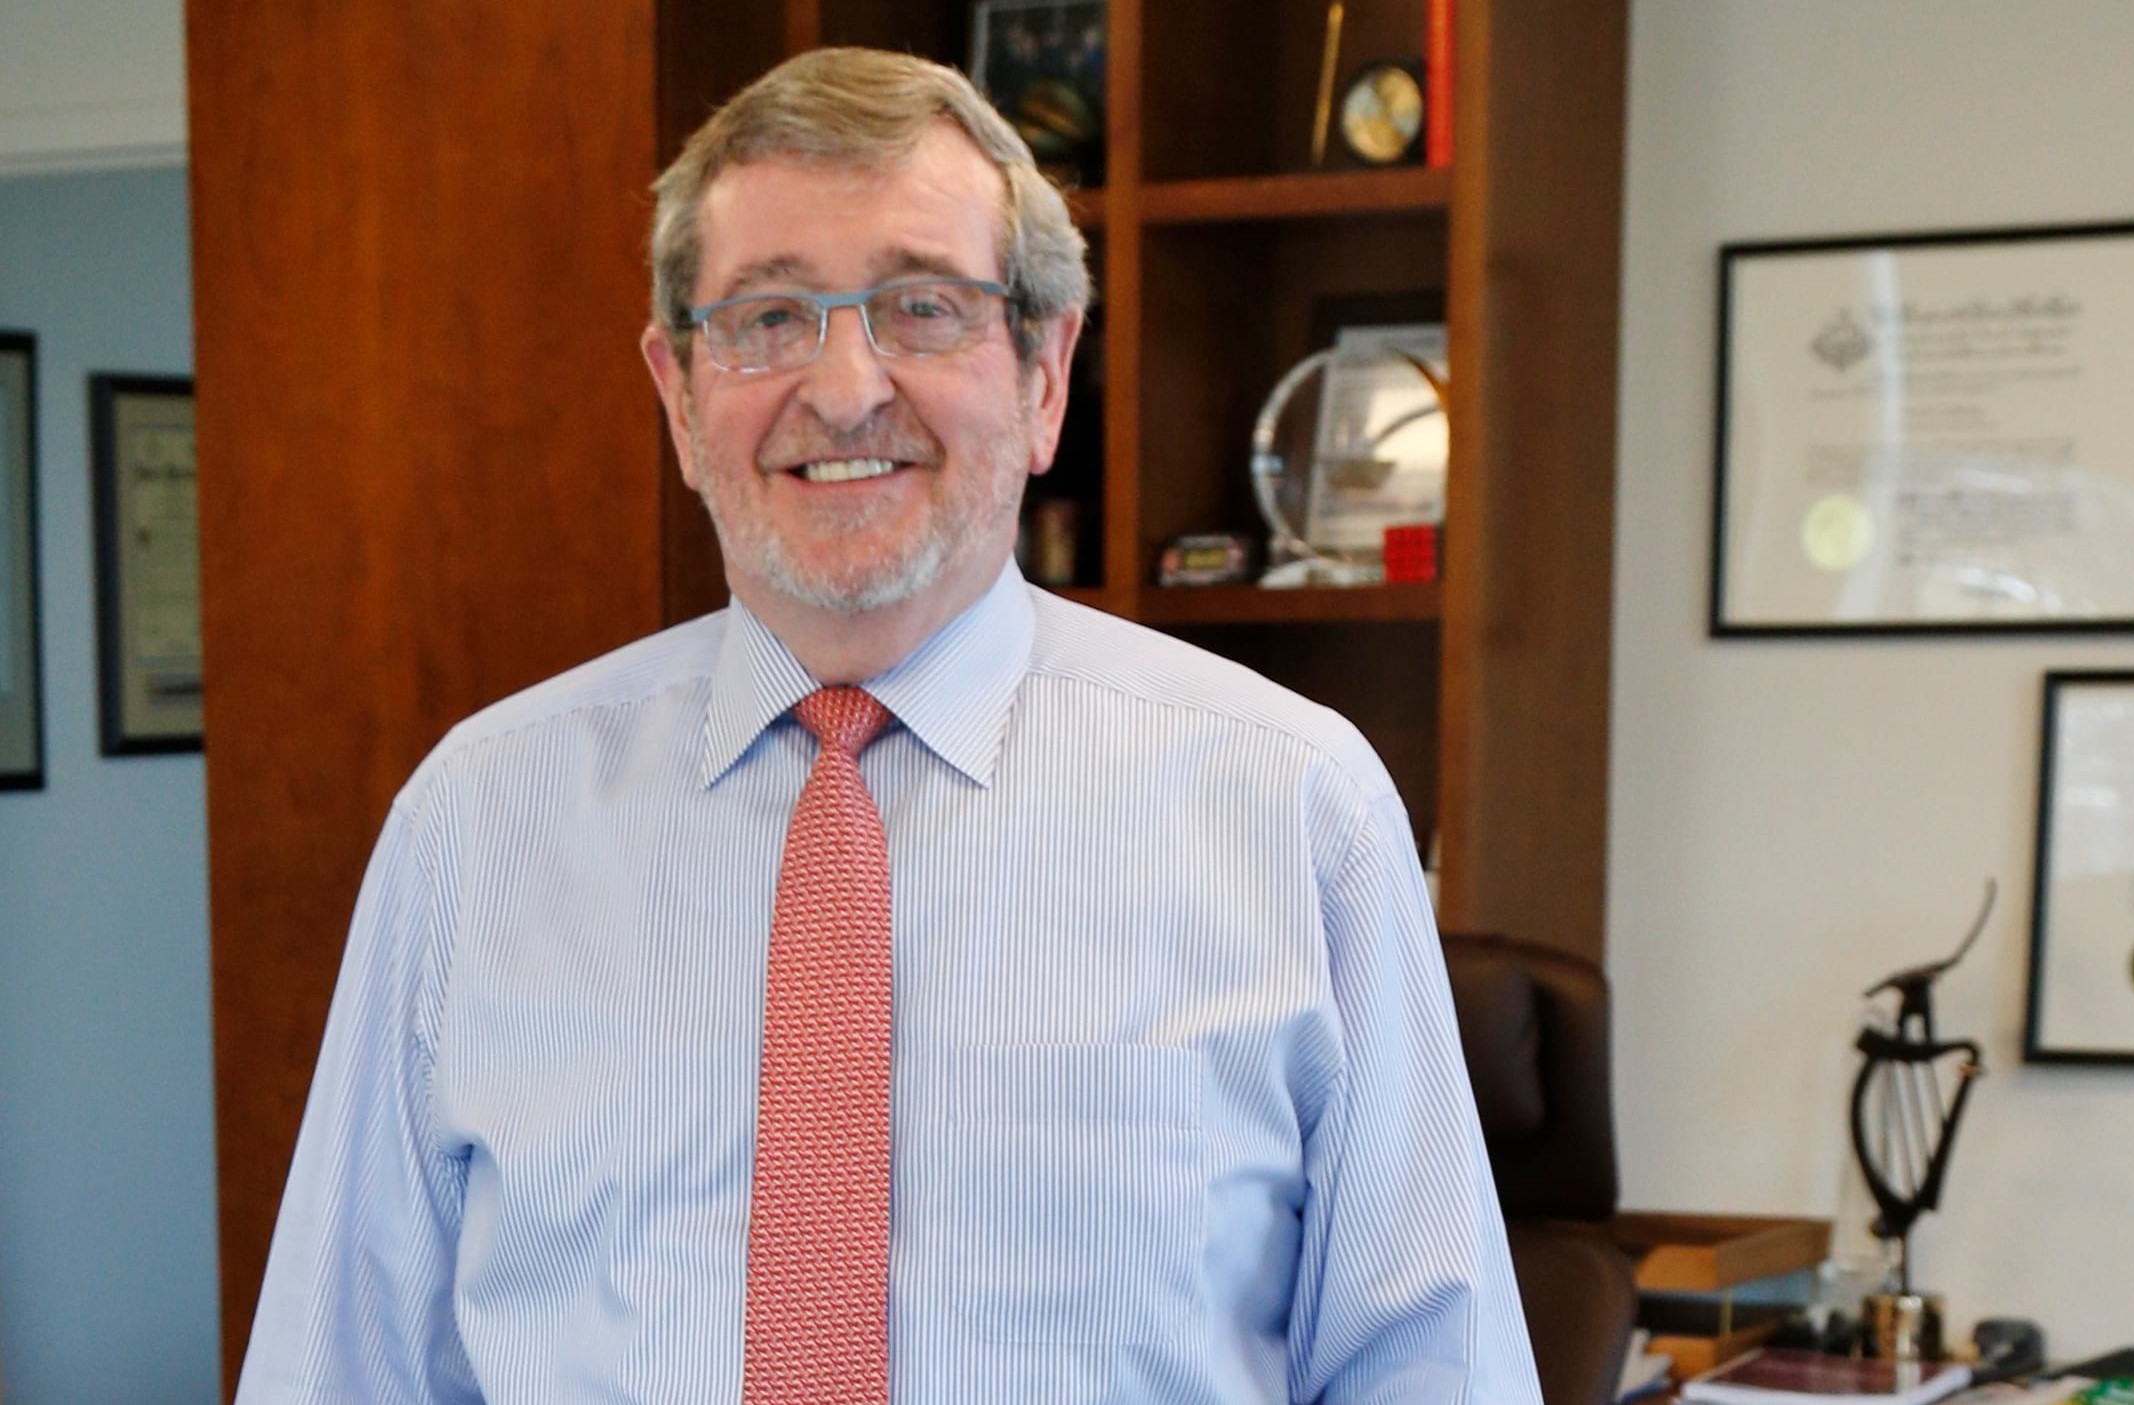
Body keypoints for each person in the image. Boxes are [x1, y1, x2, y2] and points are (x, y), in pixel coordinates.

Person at [237, 46, 1540, 1405]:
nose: (847, 387)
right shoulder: (478, 823)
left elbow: (1435, 1378)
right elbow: (340, 1372)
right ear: (679, 393)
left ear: (1045, 372)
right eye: (768, 316)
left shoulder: (1294, 807)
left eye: (923, 309)